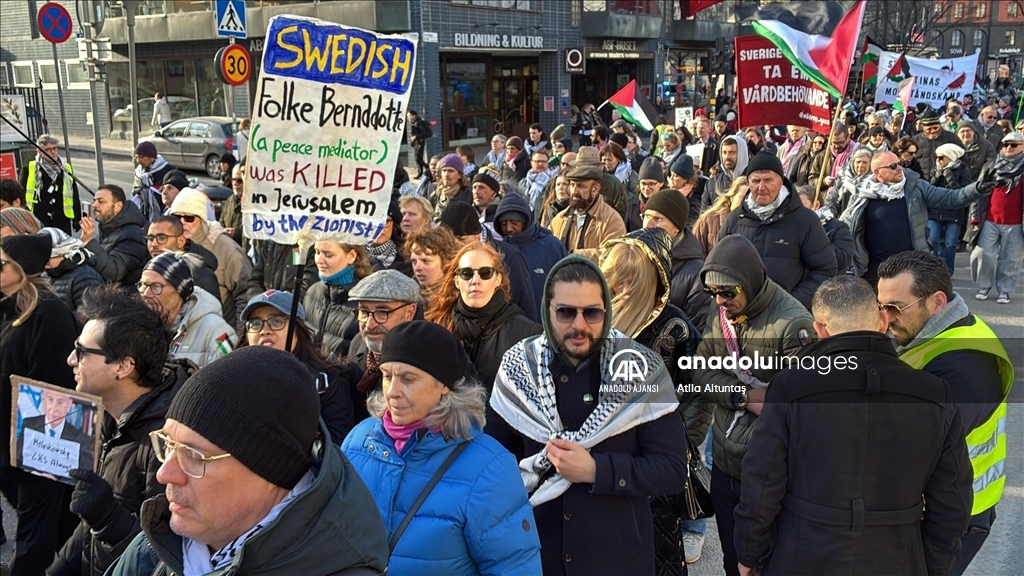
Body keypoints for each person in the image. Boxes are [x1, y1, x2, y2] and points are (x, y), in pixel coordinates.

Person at [733, 275, 973, 576]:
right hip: (899, 559)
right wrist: (931, 566)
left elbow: (762, 483)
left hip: (802, 555)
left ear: (820, 330)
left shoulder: (791, 387)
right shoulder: (935, 394)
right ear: (882, 321)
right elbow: (953, 502)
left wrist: (750, 554)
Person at [106, 347, 390, 576]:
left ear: (270, 472)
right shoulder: (158, 545)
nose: (165, 474)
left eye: (194, 455)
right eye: (168, 444)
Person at [488, 255, 687, 575]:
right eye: (566, 312)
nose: (579, 325)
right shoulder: (518, 367)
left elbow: (672, 470)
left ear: (605, 311)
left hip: (616, 559)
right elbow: (493, 460)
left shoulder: (640, 369)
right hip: (536, 556)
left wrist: (596, 470)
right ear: (547, 311)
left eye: (591, 313)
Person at [342, 321, 542, 574]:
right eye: (387, 376)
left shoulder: (489, 467)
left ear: (444, 385)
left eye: (408, 378)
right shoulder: (359, 441)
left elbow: (514, 566)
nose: (392, 391)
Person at [878, 251, 1014, 576]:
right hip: (942, 505)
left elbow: (914, 444)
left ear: (937, 302)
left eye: (895, 307)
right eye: (880, 306)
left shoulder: (964, 368)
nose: (885, 318)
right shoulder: (936, 332)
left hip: (954, 517)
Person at [49, 285, 195, 576]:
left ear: (124, 366)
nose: (70, 360)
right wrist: (60, 567)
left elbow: (167, 558)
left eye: (81, 352)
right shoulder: (107, 417)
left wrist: (107, 519)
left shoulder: (167, 444)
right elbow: (90, 523)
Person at [693, 234, 816, 576]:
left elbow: (801, 405)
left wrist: (770, 401)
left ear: (750, 280)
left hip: (766, 471)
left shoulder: (794, 324)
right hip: (723, 462)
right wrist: (741, 396)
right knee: (732, 559)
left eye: (728, 293)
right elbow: (701, 368)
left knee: (762, 563)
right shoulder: (722, 313)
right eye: (713, 293)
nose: (720, 300)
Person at [598, 228, 709, 573]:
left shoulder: (676, 326)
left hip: (654, 458)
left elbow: (701, 390)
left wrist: (676, 441)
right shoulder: (597, 318)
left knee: (657, 545)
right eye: (617, 279)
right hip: (602, 453)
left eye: (631, 279)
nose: (622, 288)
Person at [0, 233, 79, 576]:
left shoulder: (50, 314)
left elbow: (52, 389)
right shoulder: (7, 308)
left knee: (35, 536)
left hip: (35, 446)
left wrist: (31, 447)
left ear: (22, 269)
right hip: (6, 444)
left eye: (1, 263)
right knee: (54, 526)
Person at [839, 150, 995, 285]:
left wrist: (978, 188)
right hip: (875, 268)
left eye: (899, 163)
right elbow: (848, 225)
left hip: (911, 266)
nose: (899, 168)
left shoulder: (916, 186)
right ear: (877, 173)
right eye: (893, 166)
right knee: (876, 315)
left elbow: (951, 198)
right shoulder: (861, 194)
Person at [718, 152, 838, 309]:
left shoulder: (805, 220)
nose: (761, 187)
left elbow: (825, 269)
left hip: (786, 317)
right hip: (742, 315)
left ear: (781, 182)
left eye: (768, 180)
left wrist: (790, 303)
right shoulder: (735, 219)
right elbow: (719, 266)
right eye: (755, 181)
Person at [238, 290, 357, 445]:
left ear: (298, 330)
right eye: (255, 323)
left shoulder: (327, 381)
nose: (264, 330)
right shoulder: (236, 379)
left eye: (276, 322)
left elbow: (334, 444)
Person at [426, 241, 541, 389]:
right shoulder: (437, 326)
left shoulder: (527, 333)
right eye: (466, 274)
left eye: (485, 273)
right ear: (457, 281)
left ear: (498, 279)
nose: (475, 281)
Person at [438, 201, 539, 322]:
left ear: (478, 235)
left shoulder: (508, 256)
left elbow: (525, 306)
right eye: (449, 240)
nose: (455, 245)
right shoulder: (440, 257)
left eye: (461, 239)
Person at [169, 188, 251, 331]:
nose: (182, 223)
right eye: (176, 218)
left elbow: (245, 296)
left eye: (189, 218)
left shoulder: (228, 249)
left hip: (218, 336)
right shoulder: (169, 244)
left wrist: (239, 340)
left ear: (201, 219)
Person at [346, 270, 423, 423]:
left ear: (409, 312)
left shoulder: (434, 353)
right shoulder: (358, 343)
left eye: (382, 312)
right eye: (364, 311)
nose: (370, 324)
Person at [139, 252, 235, 368]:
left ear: (180, 291)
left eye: (156, 286)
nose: (146, 293)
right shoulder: (138, 327)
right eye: (143, 285)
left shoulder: (217, 330)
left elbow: (232, 376)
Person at [642, 188, 711, 331]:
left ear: (677, 228)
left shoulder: (696, 273)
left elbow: (696, 331)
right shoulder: (635, 256)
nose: (648, 224)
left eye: (658, 219)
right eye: (646, 216)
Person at [970, 131, 1024, 304]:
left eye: (1013, 145)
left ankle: (1005, 290)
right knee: (984, 254)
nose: (1008, 148)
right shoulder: (991, 165)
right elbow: (978, 192)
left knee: (1011, 259)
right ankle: (984, 286)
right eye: (1005, 144)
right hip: (990, 220)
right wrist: (974, 218)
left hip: (1016, 222)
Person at [494, 191, 567, 309]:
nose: (508, 228)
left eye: (514, 223)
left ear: (525, 222)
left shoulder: (552, 247)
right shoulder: (499, 251)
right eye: (503, 223)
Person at [304, 241, 373, 359]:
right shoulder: (312, 292)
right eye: (317, 252)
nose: (319, 260)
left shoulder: (365, 302)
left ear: (351, 256)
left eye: (328, 255)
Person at [549, 165, 627, 261]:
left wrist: (573, 255)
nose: (574, 191)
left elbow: (614, 255)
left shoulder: (612, 220)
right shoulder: (560, 219)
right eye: (572, 185)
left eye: (581, 186)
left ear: (595, 189)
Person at [80, 184, 150, 287]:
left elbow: (114, 272)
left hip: (123, 297)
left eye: (101, 201)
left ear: (118, 206)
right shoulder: (108, 228)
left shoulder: (133, 235)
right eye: (94, 200)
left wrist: (89, 241)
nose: (94, 205)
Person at [147, 216, 220, 308]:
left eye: (162, 237)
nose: (154, 244)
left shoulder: (201, 276)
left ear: (181, 241)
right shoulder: (149, 269)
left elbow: (210, 317)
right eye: (150, 238)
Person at [18, 134, 80, 234]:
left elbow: (74, 194)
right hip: (38, 219)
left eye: (54, 148)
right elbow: (20, 196)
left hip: (62, 219)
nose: (52, 152)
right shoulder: (29, 168)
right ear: (39, 151)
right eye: (47, 149)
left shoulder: (65, 168)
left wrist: (77, 219)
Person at [17, 387, 94, 468]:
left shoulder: (82, 440)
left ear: (68, 405)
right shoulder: (29, 425)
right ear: (43, 401)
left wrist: (56, 480)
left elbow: (83, 477)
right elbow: (17, 461)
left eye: (60, 402)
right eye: (50, 400)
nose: (54, 409)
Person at [927, 143, 973, 275]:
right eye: (937, 157)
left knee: (950, 243)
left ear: (950, 157)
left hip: (954, 212)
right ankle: (935, 269)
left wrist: (948, 175)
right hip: (935, 211)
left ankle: (948, 271)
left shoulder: (963, 170)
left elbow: (961, 192)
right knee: (932, 239)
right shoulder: (935, 169)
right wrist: (937, 175)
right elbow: (929, 188)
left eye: (942, 157)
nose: (938, 161)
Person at [41, 227, 103, 315]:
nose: (44, 261)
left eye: (49, 257)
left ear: (64, 253)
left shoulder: (84, 277)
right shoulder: (48, 273)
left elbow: (90, 316)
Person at [795, 185, 856, 275]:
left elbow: (842, 260)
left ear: (816, 205)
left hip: (827, 285)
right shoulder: (791, 226)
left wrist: (814, 232)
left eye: (800, 206)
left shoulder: (838, 228)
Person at [569, 146, 628, 221]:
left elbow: (622, 212)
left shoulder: (612, 183)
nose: (582, 171)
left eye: (585, 167)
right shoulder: (571, 183)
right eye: (579, 166)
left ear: (598, 166)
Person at [693, 176, 746, 258]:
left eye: (749, 198)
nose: (745, 202)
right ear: (732, 197)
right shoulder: (708, 220)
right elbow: (695, 252)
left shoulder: (753, 223)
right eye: (742, 198)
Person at [406, 225, 459, 303]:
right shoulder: (407, 297)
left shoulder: (459, 299)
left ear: (446, 262)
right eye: (414, 261)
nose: (417, 268)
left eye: (425, 261)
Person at [131, 141, 176, 224]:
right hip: (144, 212)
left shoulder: (168, 170)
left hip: (163, 211)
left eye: (141, 157)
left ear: (152, 157)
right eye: (136, 157)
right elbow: (136, 190)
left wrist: (150, 193)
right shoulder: (139, 172)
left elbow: (173, 191)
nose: (138, 161)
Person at [809, 123, 859, 195]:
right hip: (826, 200)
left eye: (840, 142)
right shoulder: (822, 156)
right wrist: (824, 181)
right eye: (834, 143)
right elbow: (811, 180)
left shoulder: (857, 154)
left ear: (848, 137)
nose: (836, 146)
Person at [913, 110, 963, 181]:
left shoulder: (952, 138)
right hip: (922, 182)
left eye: (935, 128)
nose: (933, 131)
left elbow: (962, 160)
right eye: (929, 129)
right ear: (923, 128)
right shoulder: (915, 141)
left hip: (947, 182)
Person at [428, 153, 473, 224]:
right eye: (444, 170)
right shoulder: (436, 195)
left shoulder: (469, 195)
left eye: (450, 171)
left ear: (459, 175)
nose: (446, 174)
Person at [667, 155, 707, 227]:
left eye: (675, 176)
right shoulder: (668, 192)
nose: (671, 178)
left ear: (686, 180)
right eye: (671, 174)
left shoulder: (694, 202)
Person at [470, 167, 503, 235]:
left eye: (481, 187)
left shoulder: (503, 214)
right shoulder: (467, 213)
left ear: (494, 193)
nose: (476, 192)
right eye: (474, 187)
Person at [218, 164, 244, 246]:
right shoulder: (228, 201)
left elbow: (257, 237)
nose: (235, 184)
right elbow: (221, 223)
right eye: (233, 180)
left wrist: (236, 234)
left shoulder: (254, 205)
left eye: (239, 180)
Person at [521, 150, 552, 217]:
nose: (540, 164)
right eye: (538, 161)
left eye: (543, 161)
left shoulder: (552, 182)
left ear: (547, 163)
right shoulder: (523, 182)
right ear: (531, 163)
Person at [407, 110, 432, 178]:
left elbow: (423, 133)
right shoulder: (414, 122)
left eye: (409, 116)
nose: (408, 118)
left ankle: (427, 167)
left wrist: (415, 136)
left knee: (418, 158)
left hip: (420, 142)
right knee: (417, 158)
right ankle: (420, 172)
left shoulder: (418, 123)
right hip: (417, 142)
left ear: (414, 116)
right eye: (408, 116)